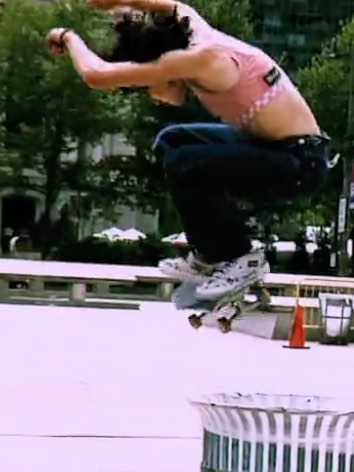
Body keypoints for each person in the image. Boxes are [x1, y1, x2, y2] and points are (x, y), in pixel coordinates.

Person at [47, 0, 330, 300]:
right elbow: (173, 4)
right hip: (270, 149)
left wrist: (67, 36)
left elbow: (96, 75)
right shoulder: (192, 30)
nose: (154, 96)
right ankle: (209, 255)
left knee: (184, 161)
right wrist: (118, 2)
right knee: (171, 141)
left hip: (300, 164)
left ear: (165, 71)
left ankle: (241, 258)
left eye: (150, 84)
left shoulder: (196, 59)